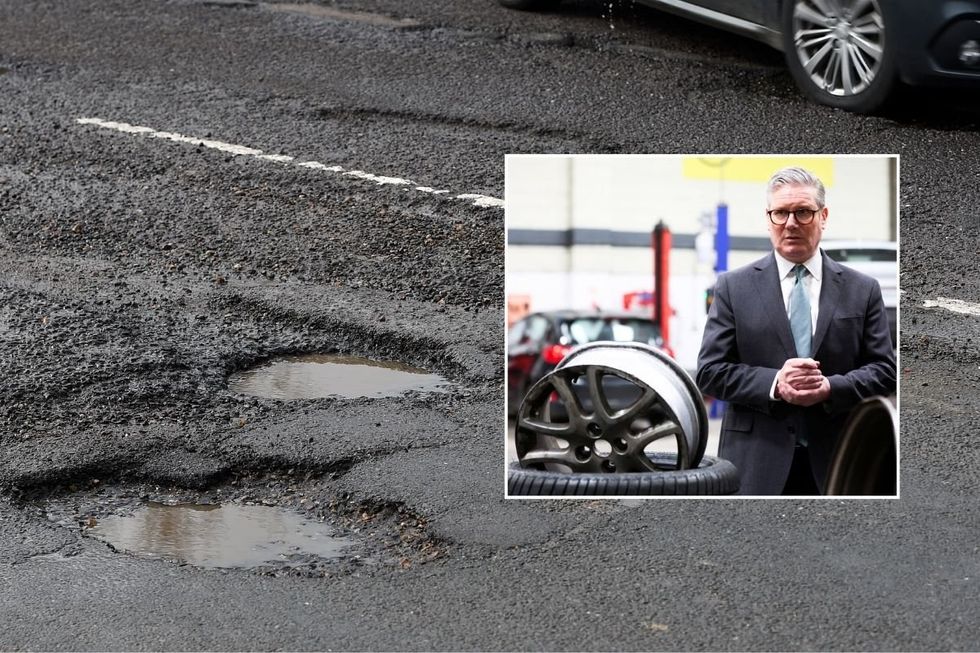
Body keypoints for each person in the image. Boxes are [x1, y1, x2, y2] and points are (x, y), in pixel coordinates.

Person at [696, 167, 896, 496]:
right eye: (780, 213)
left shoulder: (863, 289)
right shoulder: (734, 287)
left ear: (823, 215)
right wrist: (776, 383)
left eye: (803, 212)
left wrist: (830, 387)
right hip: (756, 461)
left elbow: (885, 370)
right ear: (769, 218)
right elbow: (710, 371)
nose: (790, 223)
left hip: (843, 460)